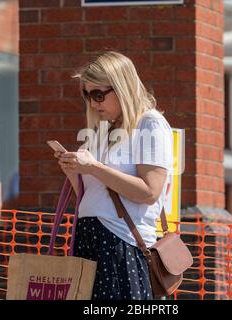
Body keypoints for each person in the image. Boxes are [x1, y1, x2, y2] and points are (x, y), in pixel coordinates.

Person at [54, 51, 174, 300]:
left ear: (122, 86)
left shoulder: (149, 123)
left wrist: (94, 168)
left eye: (99, 94)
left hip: (121, 240)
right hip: (91, 236)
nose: (93, 103)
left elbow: (150, 191)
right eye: (87, 95)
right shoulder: (105, 130)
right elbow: (96, 199)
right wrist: (75, 174)